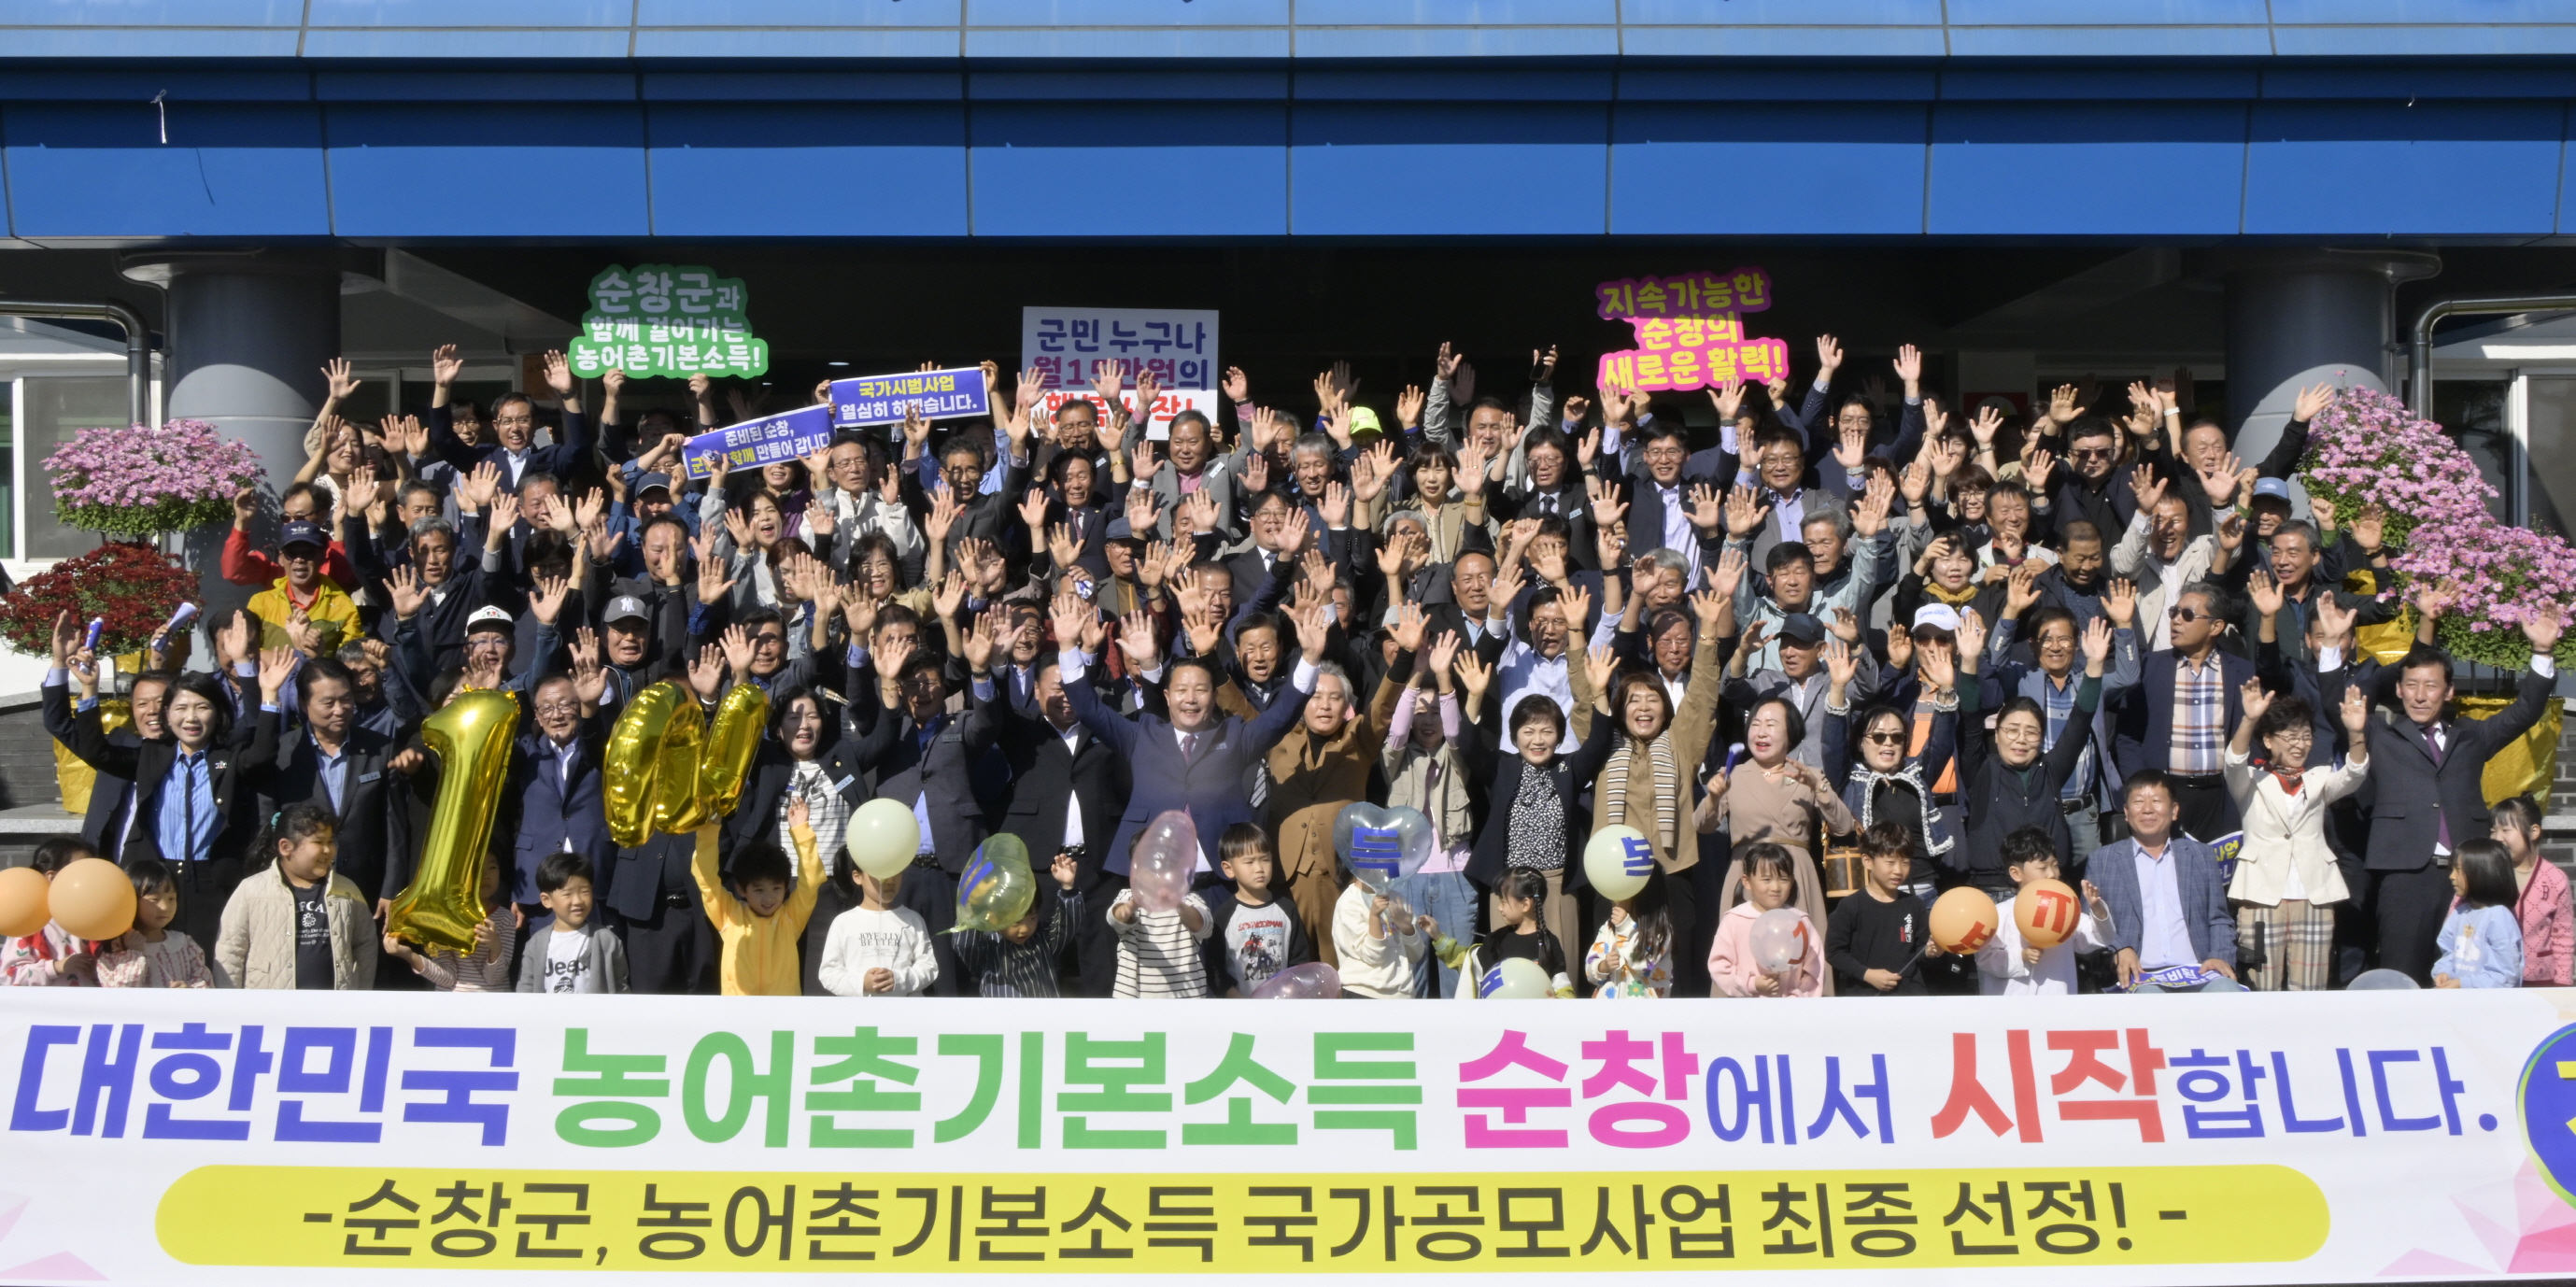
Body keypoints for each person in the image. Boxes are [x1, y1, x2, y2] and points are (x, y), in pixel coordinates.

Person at [2323, 608, 2559, 983]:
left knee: (2467, 974)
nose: (2420, 696)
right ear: (2398, 690)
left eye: (2430, 686)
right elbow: (2334, 703)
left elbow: (2526, 712)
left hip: (2468, 874)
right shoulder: (2381, 735)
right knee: (2402, 973)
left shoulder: (2472, 736)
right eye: (2411, 685)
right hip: (2404, 875)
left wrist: (2542, 652)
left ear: (2448, 691)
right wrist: (2332, 644)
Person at [2222, 679, 2371, 991]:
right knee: (2260, 986)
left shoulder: (2319, 779)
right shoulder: (2250, 780)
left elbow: (2355, 774)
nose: (2300, 745)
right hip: (2260, 895)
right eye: (2290, 737)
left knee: (2311, 989)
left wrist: (2356, 733)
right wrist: (2249, 719)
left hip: (2313, 895)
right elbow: (2233, 761)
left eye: (2306, 737)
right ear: (2268, 740)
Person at [1956, 610, 2111, 893]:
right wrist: (1969, 661)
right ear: (1997, 734)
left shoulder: (2050, 771)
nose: (2021, 740)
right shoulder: (1982, 770)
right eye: (2012, 730)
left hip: (2046, 891)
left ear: (2041, 739)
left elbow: (2079, 721)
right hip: (1993, 891)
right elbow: (1970, 718)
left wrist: (2095, 664)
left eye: (2031, 732)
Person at [2085, 772, 2240, 993]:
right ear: (2126, 812)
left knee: (2227, 991)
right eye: (2139, 802)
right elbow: (2089, 923)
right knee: (2152, 1000)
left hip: (2199, 971)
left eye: (2157, 801)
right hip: (2141, 976)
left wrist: (2220, 956)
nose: (2147, 809)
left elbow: (2219, 919)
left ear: (2174, 811)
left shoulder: (2201, 855)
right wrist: (2119, 949)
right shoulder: (2103, 861)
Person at [213, 802, 378, 990]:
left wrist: (360, 994)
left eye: (330, 841)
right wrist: (230, 1001)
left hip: (335, 1005)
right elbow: (230, 951)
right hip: (270, 1005)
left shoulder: (347, 890)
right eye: (318, 842)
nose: (327, 850)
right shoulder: (251, 891)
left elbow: (365, 944)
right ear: (286, 847)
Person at [694, 800, 826, 997]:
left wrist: (801, 831)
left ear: (786, 887)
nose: (769, 898)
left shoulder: (791, 917)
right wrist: (710, 829)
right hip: (738, 1011)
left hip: (782, 1012)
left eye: (776, 888)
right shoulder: (730, 915)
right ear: (741, 889)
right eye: (759, 890)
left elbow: (811, 880)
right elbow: (706, 879)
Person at [1974, 827, 2112, 996]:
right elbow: (1985, 959)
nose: (2052, 874)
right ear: (2016, 873)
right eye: (2042, 868)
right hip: (2012, 1005)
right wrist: (2021, 957)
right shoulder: (1999, 913)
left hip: (2057, 1000)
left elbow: (2098, 938)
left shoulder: (2066, 908)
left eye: (2055, 865)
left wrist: (2098, 910)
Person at [818, 824, 941, 998]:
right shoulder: (843, 922)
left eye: (895, 871)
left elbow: (928, 967)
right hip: (858, 1013)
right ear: (857, 877)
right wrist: (862, 983)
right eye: (880, 872)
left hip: (903, 1013)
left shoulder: (912, 919)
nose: (889, 880)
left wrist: (898, 979)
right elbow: (829, 973)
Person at [1823, 822, 1936, 997]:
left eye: (1905, 862)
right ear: (1867, 861)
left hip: (1910, 997)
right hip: (1865, 997)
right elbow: (1834, 952)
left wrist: (1930, 952)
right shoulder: (1851, 906)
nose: (1898, 870)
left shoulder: (1914, 905)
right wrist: (1867, 974)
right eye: (1890, 862)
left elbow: (1920, 952)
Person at [1200, 824, 1312, 997]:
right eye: (1249, 862)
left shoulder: (1286, 908)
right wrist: (1238, 1000)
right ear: (1229, 869)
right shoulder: (1223, 916)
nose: (1259, 868)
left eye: (1265, 859)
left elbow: (1299, 961)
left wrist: (1290, 992)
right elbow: (1216, 971)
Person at [382, 845, 516, 992]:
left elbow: (493, 979)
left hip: (492, 1002)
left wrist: (495, 947)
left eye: (492, 867)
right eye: (476, 868)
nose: (486, 875)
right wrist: (409, 956)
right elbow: (447, 977)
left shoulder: (505, 918)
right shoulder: (443, 917)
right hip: (451, 1002)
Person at [1106, 832, 1213, 998]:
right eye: (1151, 866)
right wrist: (1129, 908)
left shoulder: (1190, 900)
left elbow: (1204, 926)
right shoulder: (1128, 897)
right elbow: (1116, 918)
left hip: (1185, 999)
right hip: (1135, 998)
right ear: (1136, 870)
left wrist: (1178, 904)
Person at [1708, 842, 1823, 998]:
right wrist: (1752, 984)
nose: (1776, 887)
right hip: (1747, 1010)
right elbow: (1719, 966)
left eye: (1783, 879)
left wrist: (1798, 998)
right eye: (1767, 879)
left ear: (1792, 881)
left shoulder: (1800, 921)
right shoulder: (1734, 919)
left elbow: (1814, 969)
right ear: (1747, 881)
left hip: (1791, 1009)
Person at [1451, 868, 1574, 997]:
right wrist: (1440, 939)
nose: (1499, 908)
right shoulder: (1496, 939)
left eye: (1503, 902)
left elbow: (1562, 985)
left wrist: (1559, 1001)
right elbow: (1469, 962)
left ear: (1525, 904)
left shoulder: (1549, 943)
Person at [517, 852, 629, 993]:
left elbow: (620, 986)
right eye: (567, 894)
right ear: (546, 900)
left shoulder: (606, 940)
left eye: (584, 891)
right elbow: (526, 986)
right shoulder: (536, 943)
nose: (578, 901)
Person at [94, 856, 211, 988]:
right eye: (155, 899)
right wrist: (133, 953)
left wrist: (189, 989)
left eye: (171, 899)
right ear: (131, 900)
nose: (165, 907)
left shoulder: (185, 945)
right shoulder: (116, 948)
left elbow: (206, 982)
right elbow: (120, 991)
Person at [2495, 796, 2573, 987]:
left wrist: (2563, 982)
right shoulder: (2486, 872)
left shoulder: (2555, 879)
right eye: (2493, 830)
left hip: (2540, 979)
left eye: (2505, 830)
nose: (2497, 838)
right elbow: (2455, 918)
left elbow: (2563, 935)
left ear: (2534, 831)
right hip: (2492, 978)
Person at [0, 838, 102, 986]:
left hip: (92, 1000)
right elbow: (8, 977)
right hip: (48, 1001)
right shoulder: (28, 920)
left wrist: (102, 970)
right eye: (80, 870)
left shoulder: (100, 917)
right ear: (53, 878)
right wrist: (56, 967)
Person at [2433, 839, 2526, 989]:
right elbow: (2449, 952)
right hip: (2461, 1000)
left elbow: (2505, 975)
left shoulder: (2498, 917)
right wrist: (2444, 972)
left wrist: (2463, 984)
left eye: (2458, 870)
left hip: (2492, 1002)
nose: (2452, 876)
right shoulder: (2460, 913)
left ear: (2482, 872)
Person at [1335, 877, 1434, 999]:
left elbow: (1416, 955)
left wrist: (1407, 928)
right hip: (1364, 991)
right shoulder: (1349, 902)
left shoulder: (1397, 898)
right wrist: (1374, 917)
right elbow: (1373, 956)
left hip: (1401, 994)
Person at [1584, 871, 1675, 997]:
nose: (1614, 898)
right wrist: (1603, 966)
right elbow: (1590, 968)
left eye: (1623, 891)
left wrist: (1626, 929)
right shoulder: (1608, 928)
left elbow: (1642, 964)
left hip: (1644, 1007)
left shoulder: (1660, 931)